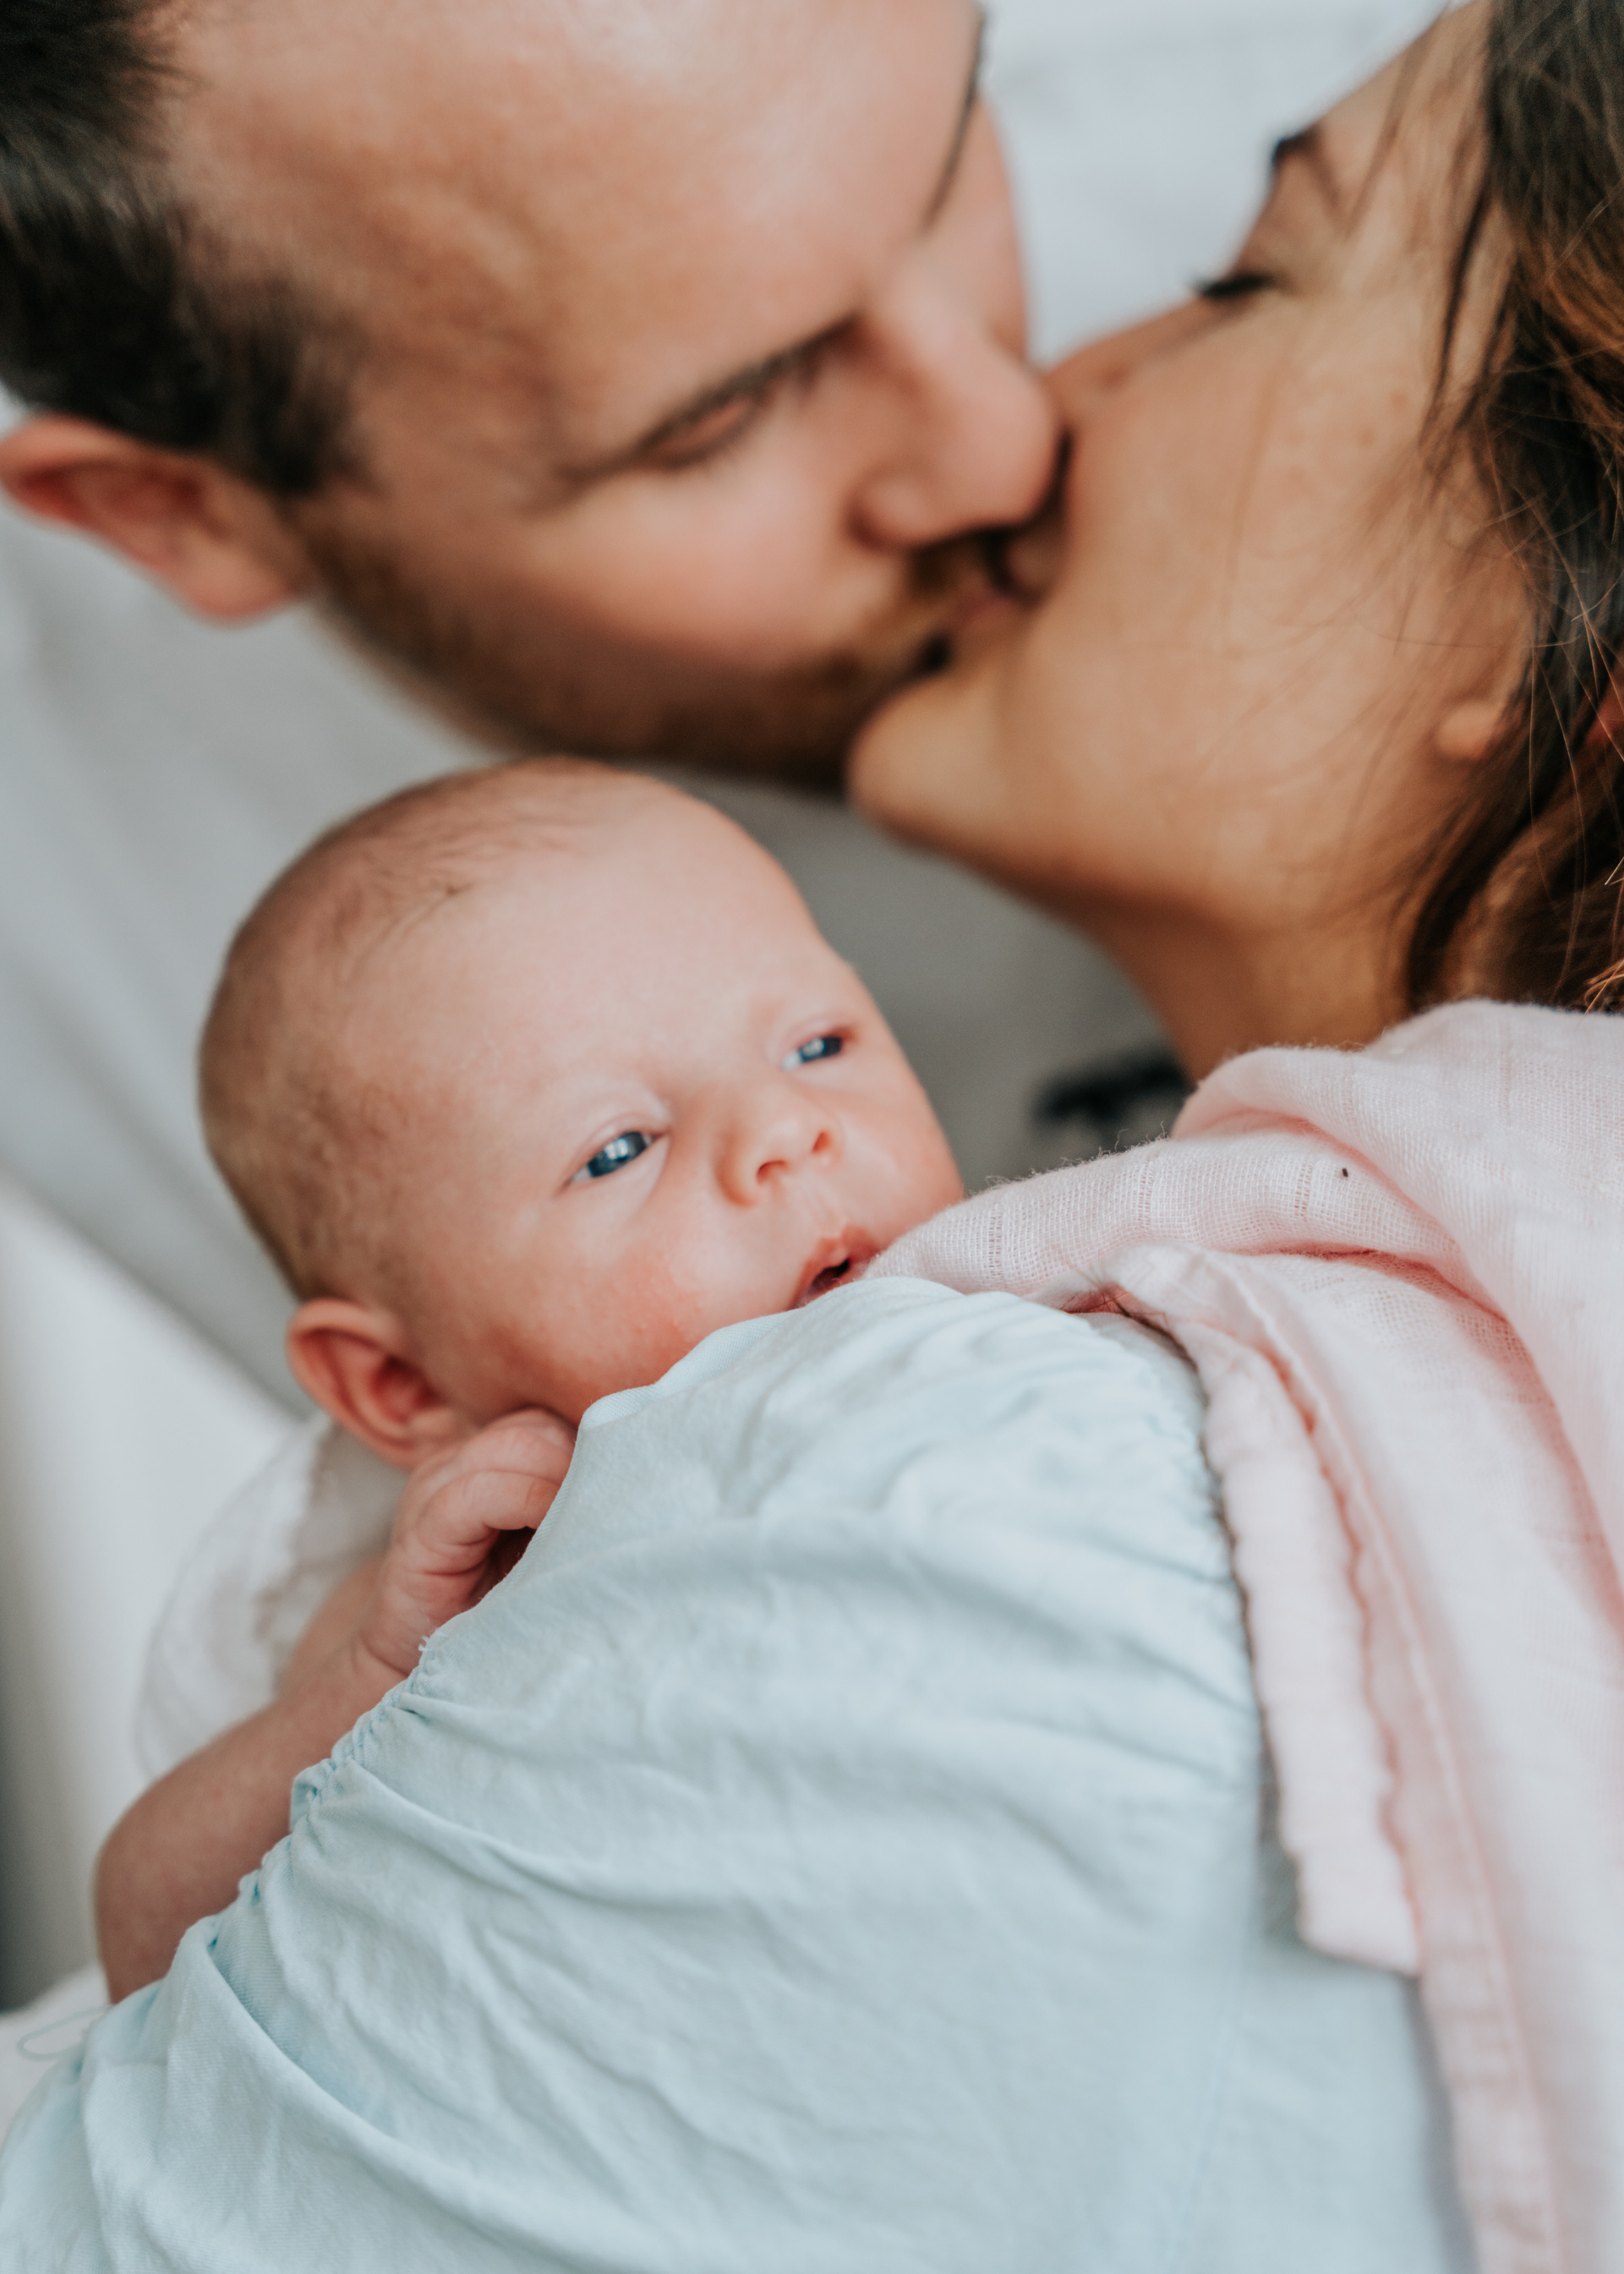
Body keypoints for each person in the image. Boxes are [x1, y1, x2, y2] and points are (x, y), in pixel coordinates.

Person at [0, 0, 1435, 1403]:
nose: (1002, 447)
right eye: (720, 419)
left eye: (945, 163)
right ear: (176, 509)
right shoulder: (64, 888)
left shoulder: (1385, 154)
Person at [96, 761, 964, 1998]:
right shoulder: (456, 1588)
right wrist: (371, 1681)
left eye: (817, 1044)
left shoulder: (1027, 1310)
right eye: (619, 1149)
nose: (786, 1129)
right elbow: (142, 1946)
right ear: (401, 1387)